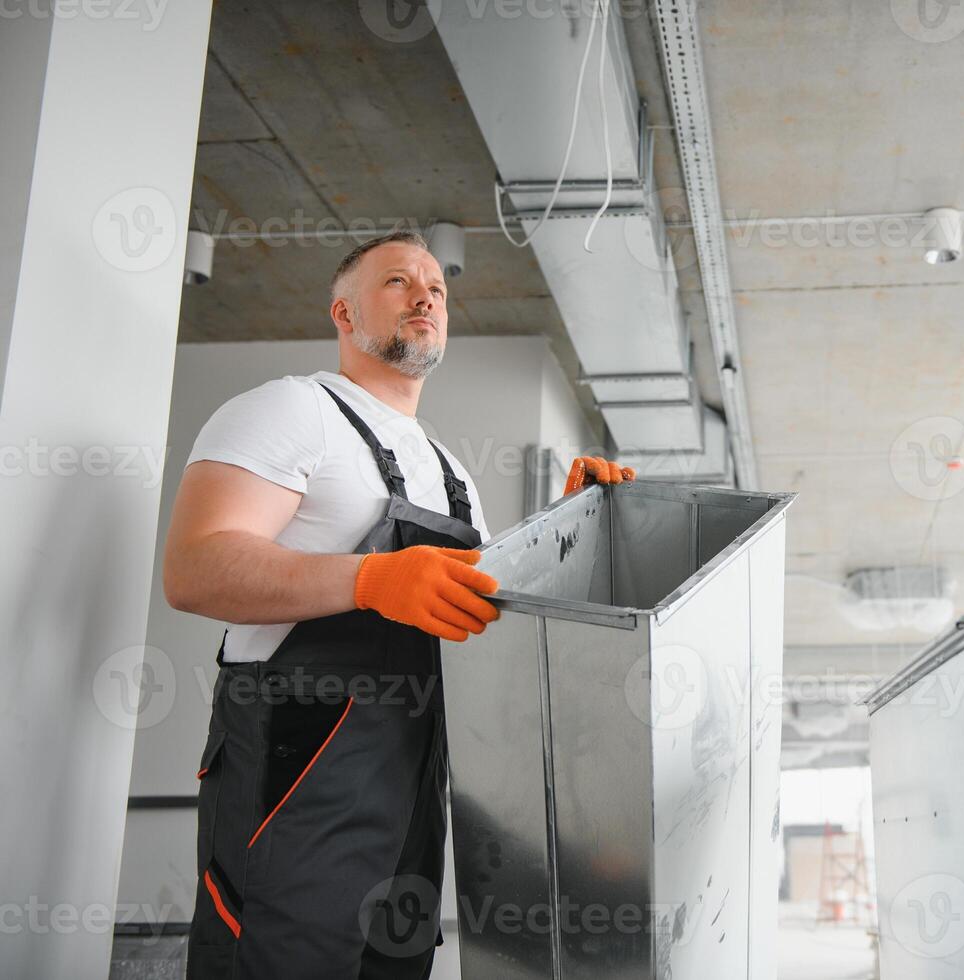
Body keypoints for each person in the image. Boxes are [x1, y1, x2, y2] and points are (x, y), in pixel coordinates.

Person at [162, 230, 633, 979]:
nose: (426, 297)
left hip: (414, 765)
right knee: (283, 958)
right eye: (397, 282)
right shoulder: (292, 409)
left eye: (438, 290)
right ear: (344, 314)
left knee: (392, 963)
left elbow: (480, 615)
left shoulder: (448, 469)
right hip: (297, 759)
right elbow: (194, 567)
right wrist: (370, 581)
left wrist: (568, 529)